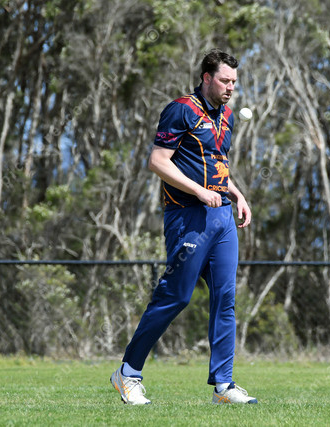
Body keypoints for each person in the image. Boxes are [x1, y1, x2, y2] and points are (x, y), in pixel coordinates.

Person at [110, 49, 257, 405]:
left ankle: (224, 386)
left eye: (234, 82)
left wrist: (237, 194)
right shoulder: (181, 110)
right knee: (175, 295)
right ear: (206, 78)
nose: (230, 88)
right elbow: (158, 162)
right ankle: (127, 373)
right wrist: (198, 191)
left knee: (225, 299)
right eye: (224, 80)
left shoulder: (227, 116)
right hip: (187, 216)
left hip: (222, 218)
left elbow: (216, 164)